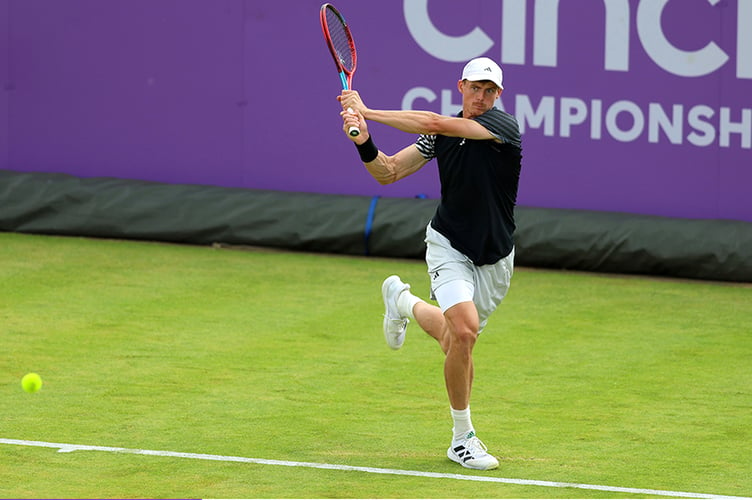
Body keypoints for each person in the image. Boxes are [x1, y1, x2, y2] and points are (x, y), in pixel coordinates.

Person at [338, 57, 522, 471]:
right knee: (465, 330)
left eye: (489, 90)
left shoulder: (502, 128)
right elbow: (387, 173)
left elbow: (434, 124)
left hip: (496, 257)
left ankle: (402, 301)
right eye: (475, 88)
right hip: (448, 245)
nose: (481, 96)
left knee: (454, 338)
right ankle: (463, 439)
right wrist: (364, 140)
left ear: (499, 96)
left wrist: (366, 110)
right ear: (461, 86)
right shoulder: (439, 139)